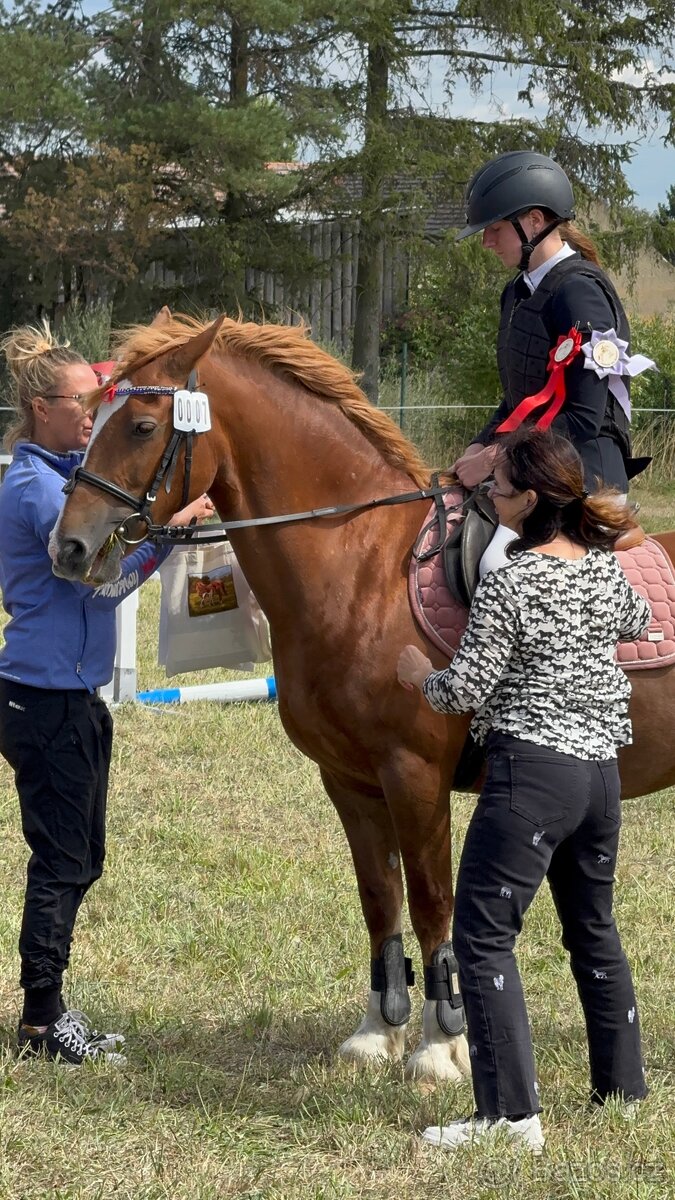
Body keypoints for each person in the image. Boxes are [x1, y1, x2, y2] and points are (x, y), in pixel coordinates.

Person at [397, 427, 651, 1153]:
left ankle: (509, 1117)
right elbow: (636, 622)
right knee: (593, 930)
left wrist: (420, 678)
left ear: (529, 500)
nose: (489, 497)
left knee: (481, 938)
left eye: (498, 488)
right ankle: (622, 1091)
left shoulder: (511, 578)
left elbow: (465, 689)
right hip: (599, 777)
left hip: (530, 777)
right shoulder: (601, 571)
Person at [0, 322, 215, 1066]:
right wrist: (169, 533)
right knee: (60, 861)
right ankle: (39, 1023)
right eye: (78, 404)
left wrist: (161, 534)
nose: (90, 415)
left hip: (71, 696)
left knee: (81, 858)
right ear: (37, 407)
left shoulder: (64, 476)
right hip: (44, 697)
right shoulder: (34, 487)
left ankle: (50, 1008)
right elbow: (93, 575)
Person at [451, 150, 651, 503]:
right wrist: (478, 444)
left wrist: (494, 457)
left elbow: (583, 420)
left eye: (495, 229)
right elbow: (519, 399)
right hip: (532, 472)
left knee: (495, 559)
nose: (486, 242)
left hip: (586, 481)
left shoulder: (580, 293)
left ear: (533, 221)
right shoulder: (517, 292)